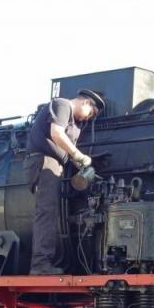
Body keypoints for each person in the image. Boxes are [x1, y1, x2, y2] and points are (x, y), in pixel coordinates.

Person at [25, 89, 105, 275]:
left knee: (50, 212)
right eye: (91, 113)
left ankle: (44, 262)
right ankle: (40, 265)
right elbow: (56, 134)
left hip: (55, 164)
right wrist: (78, 155)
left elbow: (69, 155)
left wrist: (88, 169)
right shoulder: (62, 104)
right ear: (85, 102)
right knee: (46, 212)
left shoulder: (75, 125)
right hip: (43, 161)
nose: (88, 118)